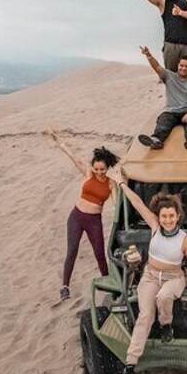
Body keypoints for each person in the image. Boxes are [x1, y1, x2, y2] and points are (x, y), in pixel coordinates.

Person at [111, 174, 187, 374]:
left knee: (164, 297)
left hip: (174, 278)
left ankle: (166, 325)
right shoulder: (154, 228)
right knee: (144, 316)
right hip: (150, 275)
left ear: (178, 216)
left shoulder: (184, 240)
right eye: (164, 216)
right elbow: (137, 203)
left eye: (171, 216)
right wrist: (122, 183)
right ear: (158, 217)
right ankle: (131, 364)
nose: (167, 220)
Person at [47, 129, 120, 301]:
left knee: (100, 254)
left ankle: (110, 284)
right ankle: (65, 286)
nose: (99, 172)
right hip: (76, 217)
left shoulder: (111, 184)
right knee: (72, 250)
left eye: (102, 169)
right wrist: (58, 141)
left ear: (107, 168)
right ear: (93, 167)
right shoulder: (89, 174)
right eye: (96, 169)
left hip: (94, 221)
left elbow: (116, 204)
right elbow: (73, 157)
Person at [136, 46, 187, 150]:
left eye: (186, 66)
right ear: (178, 65)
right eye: (181, 65)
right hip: (171, 111)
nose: (183, 68)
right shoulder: (169, 76)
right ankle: (156, 140)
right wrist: (148, 55)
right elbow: (157, 67)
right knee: (163, 122)